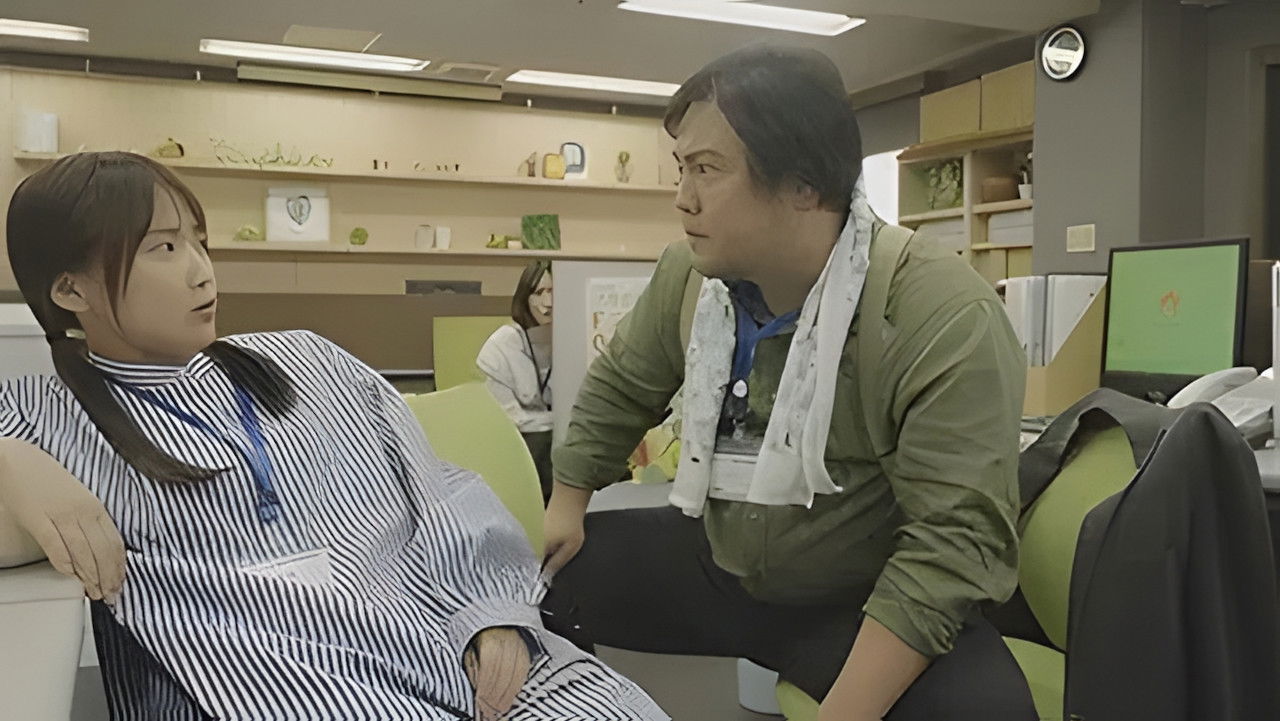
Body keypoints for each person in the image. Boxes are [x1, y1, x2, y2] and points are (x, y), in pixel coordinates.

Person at [0, 152, 666, 721]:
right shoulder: (41, 416)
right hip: (277, 688)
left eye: (198, 240)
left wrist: (493, 612)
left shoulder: (308, 359)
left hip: (446, 641)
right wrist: (11, 461)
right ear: (71, 290)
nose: (202, 270)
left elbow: (439, 489)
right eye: (164, 248)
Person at [540, 46, 1036, 721]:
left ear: (804, 186)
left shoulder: (937, 313)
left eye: (707, 170)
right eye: (682, 169)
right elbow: (623, 385)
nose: (683, 198)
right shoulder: (690, 279)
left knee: (986, 711)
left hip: (859, 596)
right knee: (532, 584)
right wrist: (566, 503)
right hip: (722, 561)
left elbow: (951, 545)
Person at [477, 261, 554, 501]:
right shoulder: (501, 346)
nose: (548, 303)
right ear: (524, 297)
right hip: (518, 450)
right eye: (539, 292)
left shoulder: (571, 339)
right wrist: (559, 420)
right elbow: (511, 419)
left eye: (554, 292)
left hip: (560, 451)